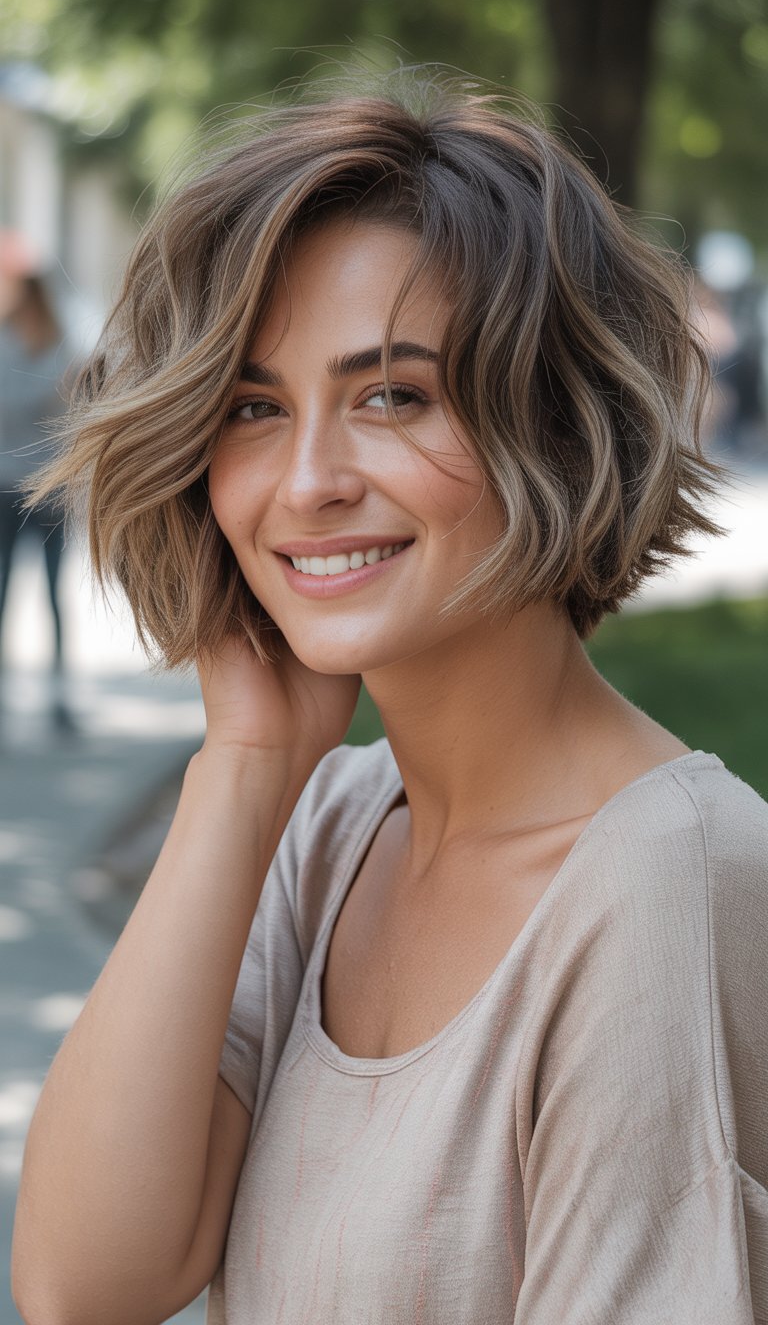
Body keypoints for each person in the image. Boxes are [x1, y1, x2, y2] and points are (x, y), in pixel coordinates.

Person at [11, 74, 768, 1325]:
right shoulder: (334, 828)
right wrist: (246, 767)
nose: (307, 480)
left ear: (555, 423)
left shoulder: (669, 885)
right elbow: (84, 1283)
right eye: (255, 408)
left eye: (392, 396)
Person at [0, 231, 73, 729]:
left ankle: (59, 700)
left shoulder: (59, 340)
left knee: (53, 596)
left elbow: (75, 406)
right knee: (4, 593)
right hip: (7, 486)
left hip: (49, 487)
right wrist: (50, 394)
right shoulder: (11, 340)